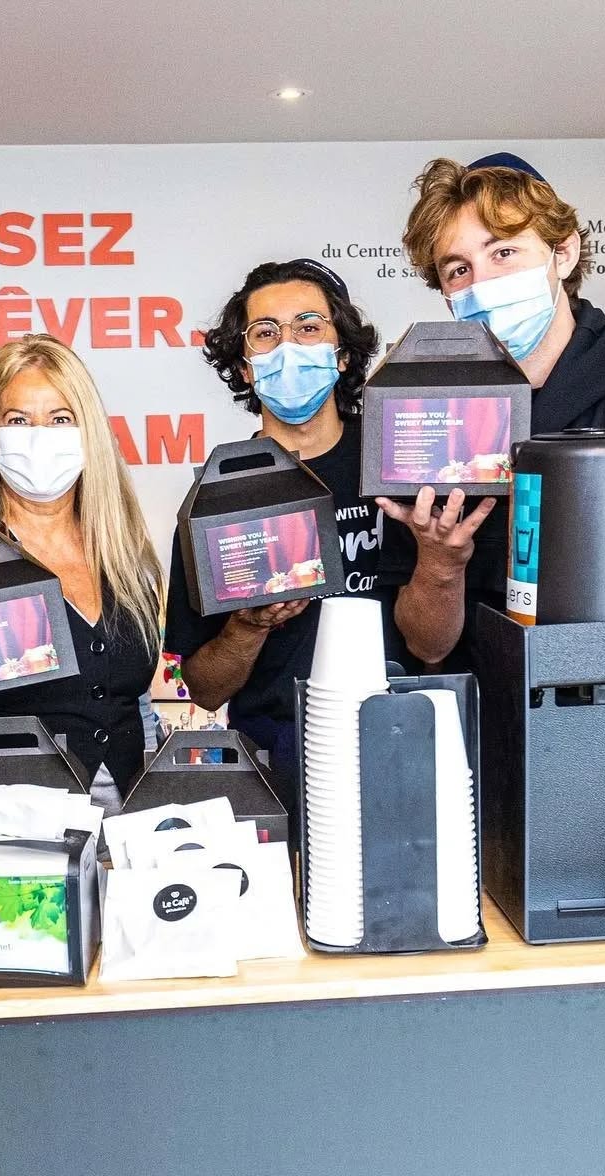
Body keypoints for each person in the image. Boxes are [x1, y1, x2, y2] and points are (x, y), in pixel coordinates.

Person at [382, 152, 605, 667]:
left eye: (502, 253)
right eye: (458, 270)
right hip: (475, 717)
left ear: (563, 253)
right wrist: (440, 563)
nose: (481, 283)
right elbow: (425, 645)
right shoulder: (430, 415)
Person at [161, 258, 387, 813]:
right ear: (244, 367)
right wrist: (247, 626)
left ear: (342, 353)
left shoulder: (397, 466)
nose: (288, 345)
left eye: (308, 327)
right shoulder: (218, 497)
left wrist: (440, 557)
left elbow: (438, 645)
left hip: (397, 733)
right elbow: (201, 687)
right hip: (275, 756)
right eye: (265, 334)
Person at [0, 333, 164, 810]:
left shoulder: (125, 555)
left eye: (61, 419)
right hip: (14, 835)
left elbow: (137, 704)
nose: (41, 434)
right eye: (19, 420)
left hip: (128, 837)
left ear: (87, 433)